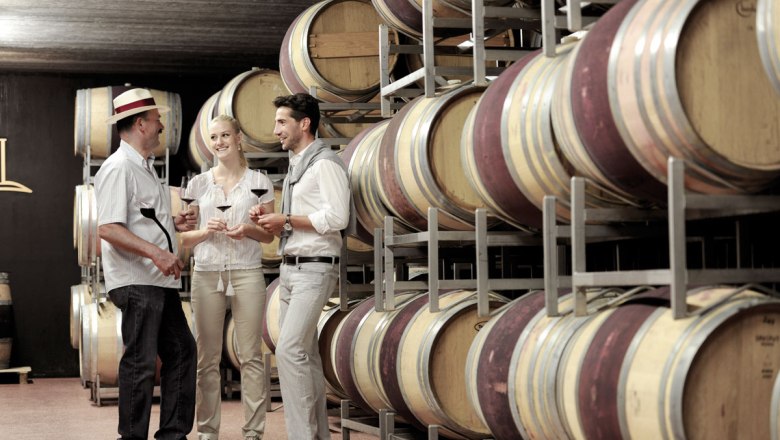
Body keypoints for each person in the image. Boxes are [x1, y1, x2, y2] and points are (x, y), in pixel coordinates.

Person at [94, 88, 197, 440]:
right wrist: (156, 253)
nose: (162, 126)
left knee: (182, 351)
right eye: (157, 120)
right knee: (140, 362)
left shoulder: (144, 167)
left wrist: (174, 226)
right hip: (138, 280)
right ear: (141, 124)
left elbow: (141, 221)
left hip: (157, 281)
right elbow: (108, 228)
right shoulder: (118, 167)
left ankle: (172, 434)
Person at [250, 93, 351, 440]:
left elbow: (338, 217)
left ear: (304, 123)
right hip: (291, 268)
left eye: (282, 122)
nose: (275, 129)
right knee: (304, 355)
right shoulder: (297, 163)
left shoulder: (325, 163)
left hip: (315, 267)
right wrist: (272, 218)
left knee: (290, 349)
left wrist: (287, 218)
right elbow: (299, 217)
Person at [179, 114, 275, 440]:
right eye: (214, 137)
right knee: (207, 360)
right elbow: (182, 239)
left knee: (251, 357)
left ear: (238, 139)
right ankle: (207, 432)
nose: (218, 142)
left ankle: (253, 433)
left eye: (224, 136)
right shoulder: (197, 185)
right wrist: (206, 231)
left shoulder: (260, 182)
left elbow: (268, 236)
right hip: (206, 275)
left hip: (248, 274)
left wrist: (248, 229)